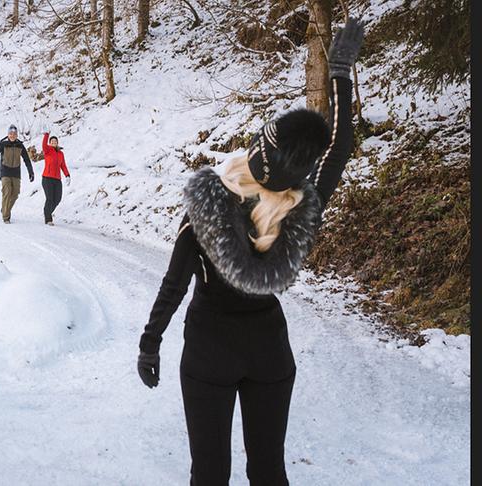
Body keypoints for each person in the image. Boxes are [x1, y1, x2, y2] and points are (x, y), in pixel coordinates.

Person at [136, 19, 364, 485]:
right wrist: (339, 72)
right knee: (267, 471)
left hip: (208, 355)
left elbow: (175, 283)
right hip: (268, 353)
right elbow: (339, 148)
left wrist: (150, 342)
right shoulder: (299, 207)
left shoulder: (209, 205)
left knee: (210, 473)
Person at [0, 125, 34, 224]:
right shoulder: (4, 144)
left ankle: (5, 208)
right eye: (10, 134)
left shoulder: (20, 145)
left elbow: (26, 159)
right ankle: (6, 217)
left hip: (16, 173)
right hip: (5, 172)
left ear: (17, 135)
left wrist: (30, 172)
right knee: (7, 192)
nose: (12, 135)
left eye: (14, 134)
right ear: (8, 134)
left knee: (15, 193)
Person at [40, 132, 71, 225]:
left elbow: (63, 165)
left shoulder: (61, 153)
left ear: (57, 143)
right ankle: (48, 218)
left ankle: (47, 212)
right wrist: (46, 135)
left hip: (57, 179)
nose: (54, 142)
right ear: (50, 143)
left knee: (57, 199)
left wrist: (67, 175)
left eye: (55, 141)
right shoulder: (47, 150)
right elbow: (44, 144)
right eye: (52, 141)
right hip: (47, 178)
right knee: (49, 198)